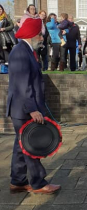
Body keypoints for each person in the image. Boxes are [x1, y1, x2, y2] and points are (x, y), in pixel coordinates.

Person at [6, 17, 60, 194]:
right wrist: (33, 109)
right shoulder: (21, 52)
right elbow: (23, 85)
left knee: (20, 145)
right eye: (40, 35)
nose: (42, 38)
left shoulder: (24, 50)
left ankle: (18, 181)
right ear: (33, 35)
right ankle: (38, 183)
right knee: (31, 145)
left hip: (21, 108)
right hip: (23, 108)